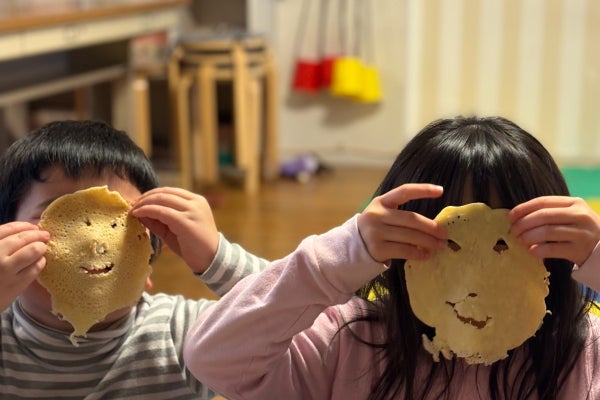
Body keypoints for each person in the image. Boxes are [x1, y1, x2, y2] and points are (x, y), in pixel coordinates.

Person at [183, 116, 600, 399]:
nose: (475, 281)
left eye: (503, 247)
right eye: (451, 247)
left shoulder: (581, 353)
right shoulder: (351, 343)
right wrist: (344, 253)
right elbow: (213, 357)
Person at [0, 120, 267, 399]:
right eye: (61, 215)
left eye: (118, 221)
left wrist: (217, 257)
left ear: (145, 260)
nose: (95, 241)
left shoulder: (181, 335)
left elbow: (294, 327)